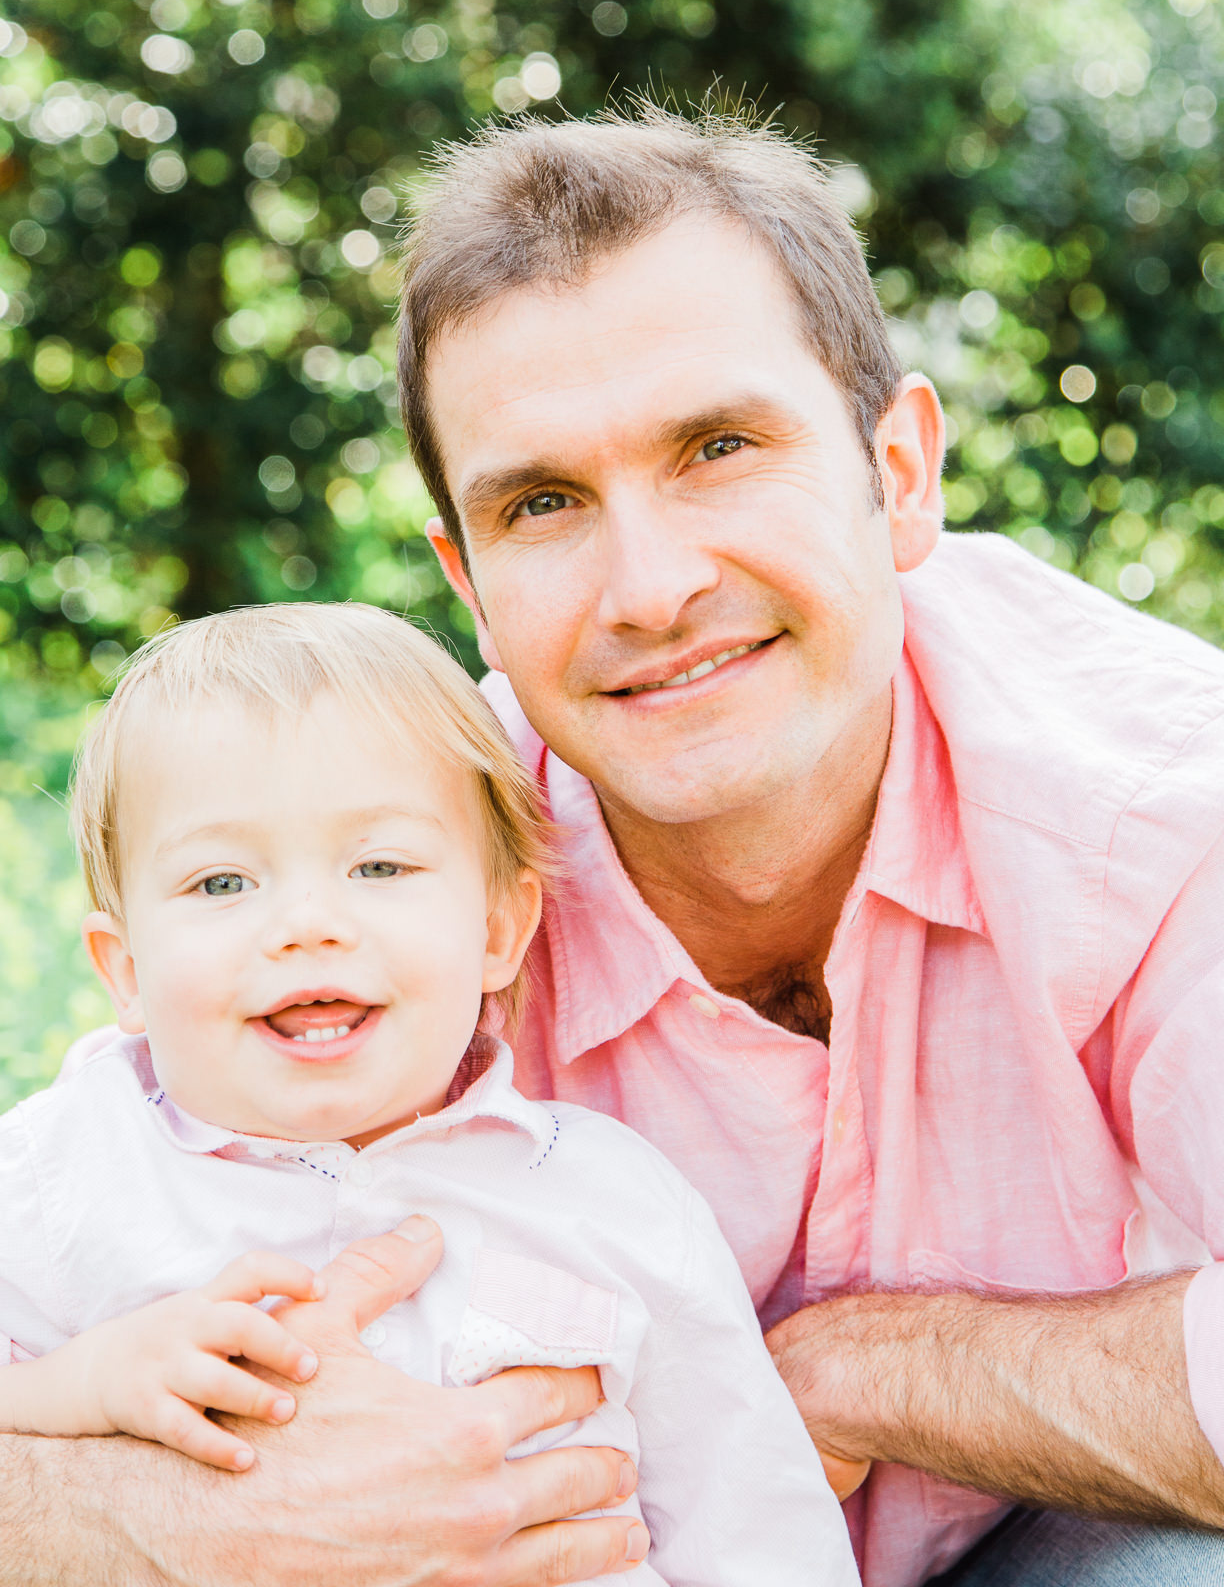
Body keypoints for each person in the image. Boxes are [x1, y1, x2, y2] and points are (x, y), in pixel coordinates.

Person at [6, 101, 1224, 1587]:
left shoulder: (1158, 808)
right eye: (543, 502)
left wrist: (867, 1374)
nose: (648, 588)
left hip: (1041, 1530)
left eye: (719, 446)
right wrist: (176, 1518)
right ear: (466, 576)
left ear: (898, 471)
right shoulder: (380, 868)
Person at [0, 601, 858, 1587]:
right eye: (223, 883)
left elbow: (749, 1517)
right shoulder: (56, 1177)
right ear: (126, 972)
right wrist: (85, 1386)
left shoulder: (612, 1198)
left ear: (498, 931)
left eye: (380, 865)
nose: (307, 923)